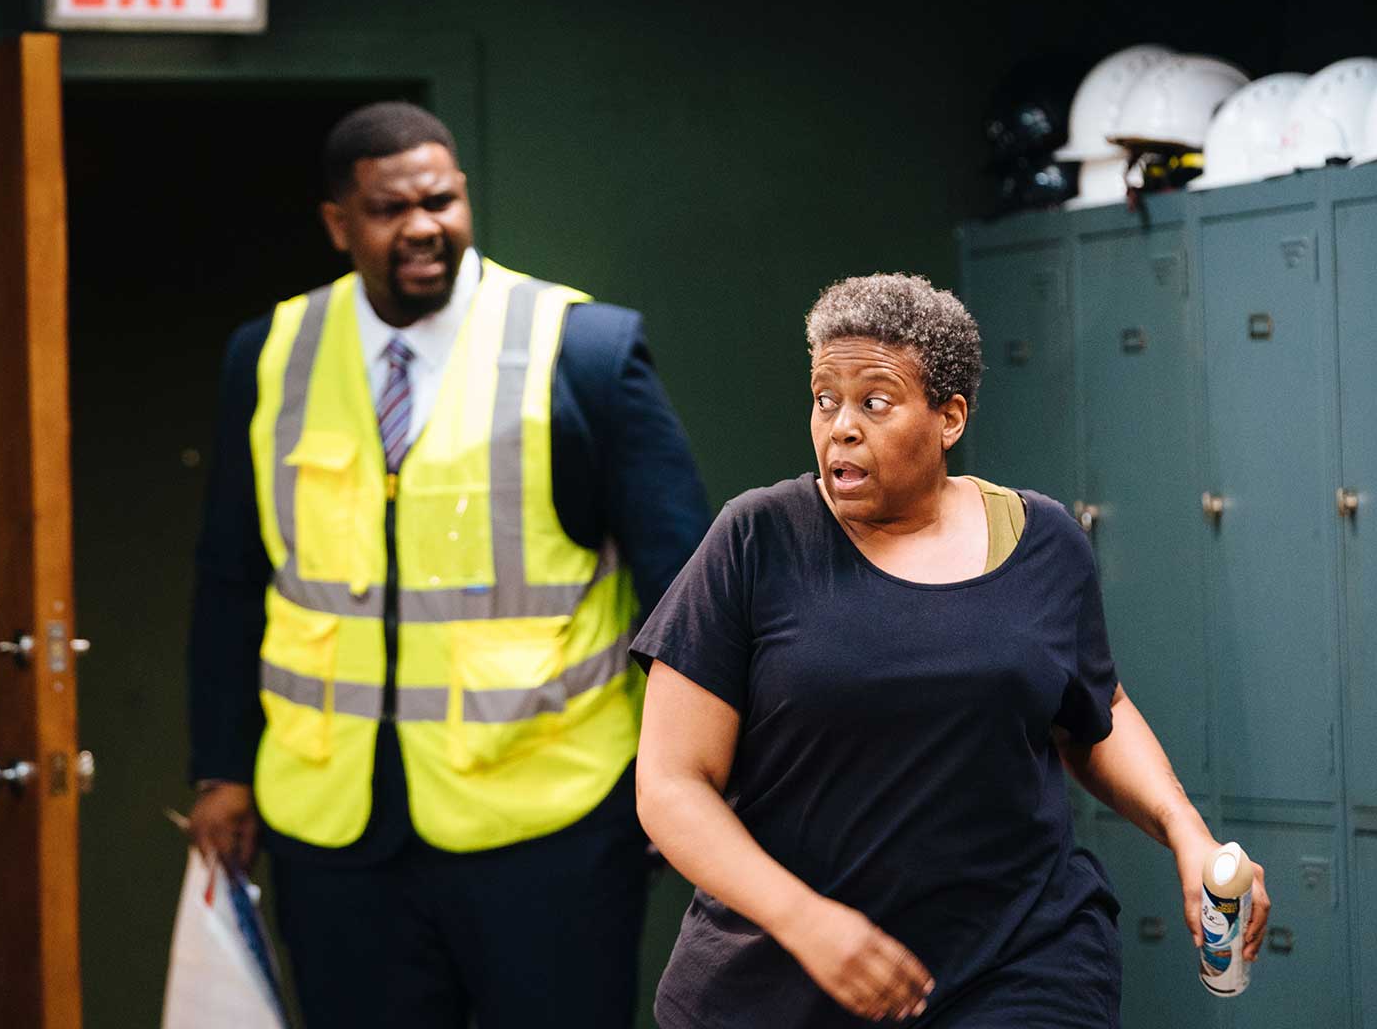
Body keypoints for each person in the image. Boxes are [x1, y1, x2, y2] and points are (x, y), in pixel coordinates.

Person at [187, 101, 711, 1029]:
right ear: (338, 225)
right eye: (392, 208)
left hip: (550, 822)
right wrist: (222, 770)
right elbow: (232, 578)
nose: (425, 226)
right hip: (332, 827)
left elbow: (687, 593)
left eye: (442, 200)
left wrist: (680, 786)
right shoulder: (268, 358)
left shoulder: (583, 349)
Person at [630, 272, 1270, 1026]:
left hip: (1017, 959)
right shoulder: (756, 539)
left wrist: (1184, 833)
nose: (840, 425)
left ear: (949, 417)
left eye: (874, 401)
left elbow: (1097, 714)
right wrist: (806, 920)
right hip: (780, 980)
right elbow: (671, 785)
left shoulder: (1043, 541)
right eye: (824, 397)